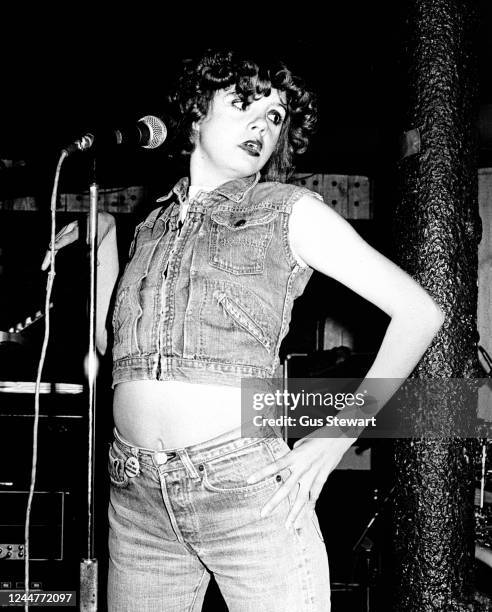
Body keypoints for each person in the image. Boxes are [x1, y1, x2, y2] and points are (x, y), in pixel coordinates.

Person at [43, 48, 445, 611]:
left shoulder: (288, 211)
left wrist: (335, 438)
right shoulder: (152, 225)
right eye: (243, 104)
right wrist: (106, 236)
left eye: (276, 116)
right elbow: (114, 350)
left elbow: (421, 313)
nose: (262, 123)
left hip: (244, 491)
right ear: (194, 116)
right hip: (136, 499)